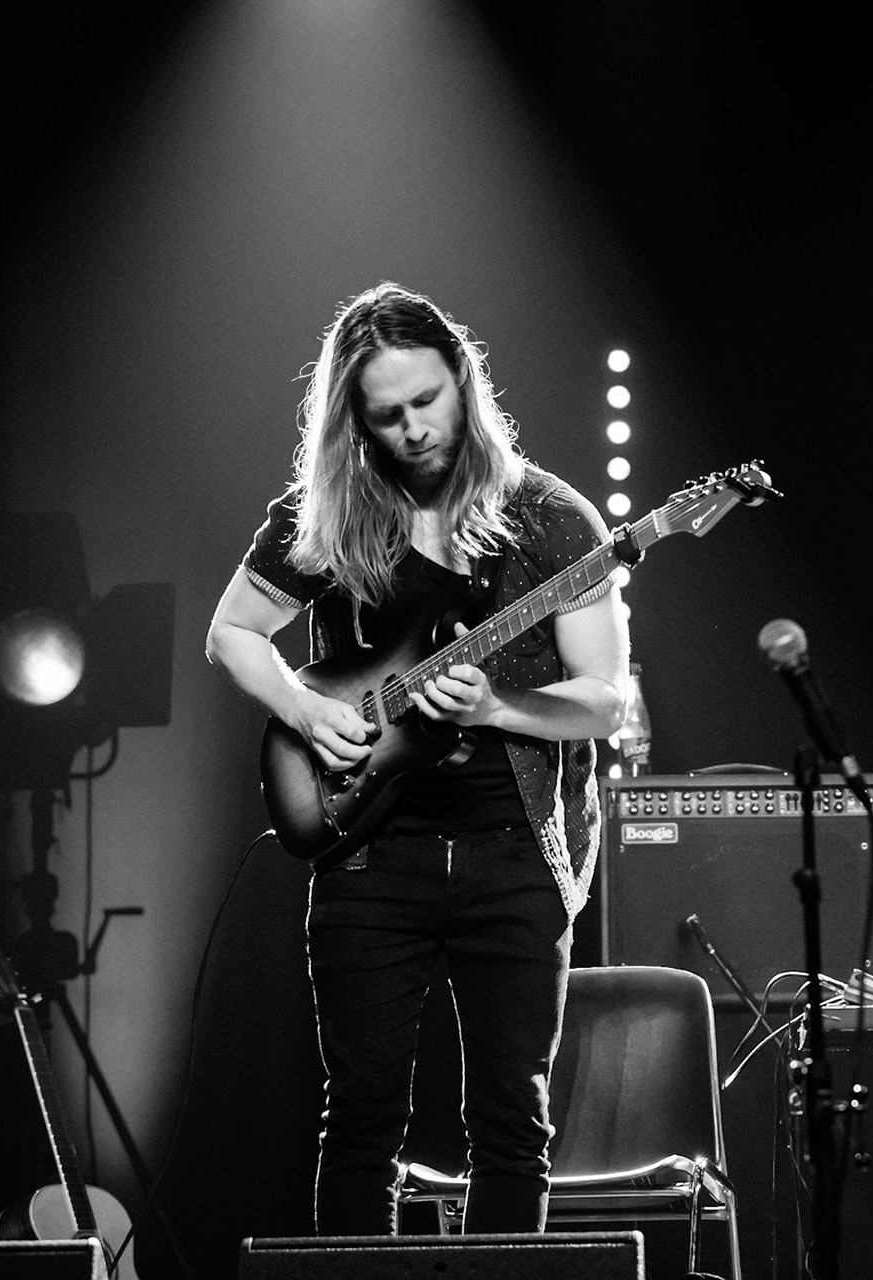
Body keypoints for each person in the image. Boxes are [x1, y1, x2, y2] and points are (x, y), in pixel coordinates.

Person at [205, 282, 628, 1234]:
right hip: (366, 853)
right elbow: (234, 633)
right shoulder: (325, 512)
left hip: (515, 854)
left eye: (427, 402)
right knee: (359, 1124)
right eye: (385, 415)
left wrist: (500, 704)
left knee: (513, 1127)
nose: (413, 430)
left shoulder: (552, 519)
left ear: (464, 383)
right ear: (353, 419)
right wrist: (307, 718)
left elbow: (606, 700)